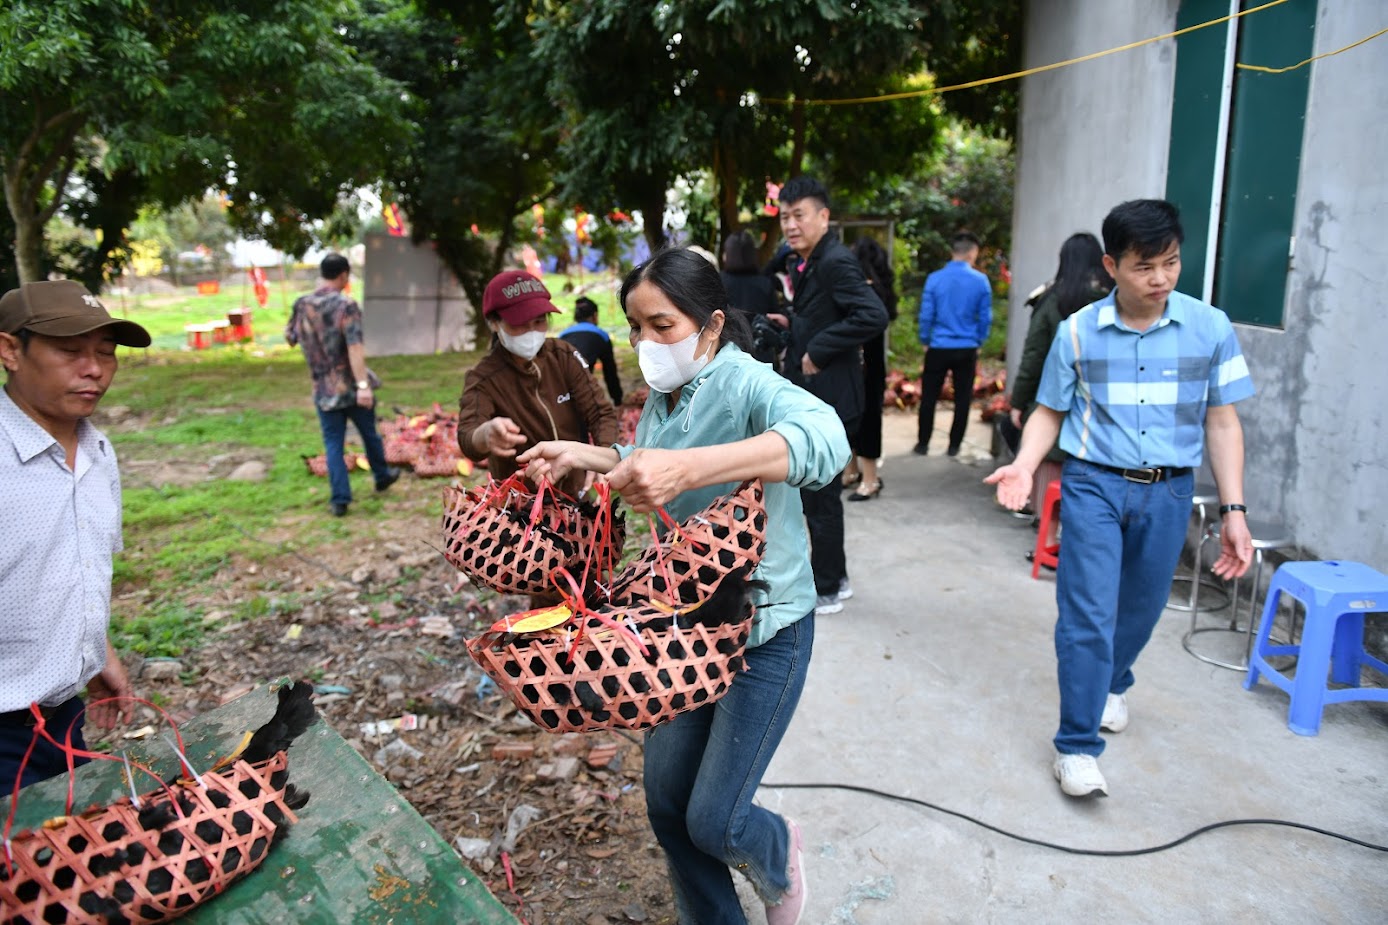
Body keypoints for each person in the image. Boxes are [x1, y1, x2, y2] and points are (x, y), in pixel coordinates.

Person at [518, 247, 847, 925]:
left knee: (717, 818)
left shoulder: (747, 381)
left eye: (662, 325)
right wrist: (587, 455)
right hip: (681, 630)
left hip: (765, 633)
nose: (646, 343)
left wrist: (691, 468)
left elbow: (826, 438)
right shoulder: (667, 396)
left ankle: (777, 849)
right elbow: (649, 461)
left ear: (712, 323)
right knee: (668, 806)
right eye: (635, 328)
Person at [985, 199, 1255, 798]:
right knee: (1085, 615)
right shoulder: (1078, 331)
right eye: (1143, 267)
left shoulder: (1209, 327)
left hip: (1169, 491)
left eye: (1171, 263)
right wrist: (1024, 467)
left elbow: (1223, 423)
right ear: (1111, 265)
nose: (1159, 279)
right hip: (1093, 486)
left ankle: (1113, 681)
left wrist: (1234, 511)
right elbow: (1050, 409)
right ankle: (1077, 746)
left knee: (1140, 609)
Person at [0, 280, 145, 788]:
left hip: (60, 720)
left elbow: (74, 567)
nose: (95, 369)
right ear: (10, 350)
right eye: (69, 352)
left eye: (106, 353)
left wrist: (97, 653)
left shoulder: (98, 453)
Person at [777, 176, 890, 615]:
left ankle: (826, 586)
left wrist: (818, 350)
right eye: (786, 216)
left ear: (823, 216)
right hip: (818, 396)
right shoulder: (808, 260)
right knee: (816, 495)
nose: (791, 224)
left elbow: (873, 314)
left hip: (832, 398)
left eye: (799, 215)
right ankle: (834, 577)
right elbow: (824, 312)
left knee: (820, 498)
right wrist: (792, 324)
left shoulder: (834, 261)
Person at [459, 270, 618, 499]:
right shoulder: (484, 378)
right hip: (520, 504)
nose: (532, 332)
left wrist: (602, 457)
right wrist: (485, 435)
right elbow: (468, 437)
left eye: (539, 321)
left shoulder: (563, 356)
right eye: (520, 324)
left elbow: (600, 412)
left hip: (576, 492)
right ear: (494, 323)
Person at [1008, 232, 1114, 518]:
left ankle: (1050, 534)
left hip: (1056, 395)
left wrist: (1018, 401)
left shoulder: (1053, 298)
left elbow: (1034, 355)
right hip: (1102, 407)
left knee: (1052, 462)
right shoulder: (1114, 300)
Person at [286, 253, 400, 517]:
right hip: (349, 386)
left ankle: (340, 500)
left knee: (333, 443)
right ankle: (382, 476)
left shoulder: (302, 304)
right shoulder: (346, 306)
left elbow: (291, 337)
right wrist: (363, 385)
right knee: (369, 433)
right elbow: (355, 348)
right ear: (344, 276)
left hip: (322, 389)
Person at [915, 231, 993, 457]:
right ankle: (954, 446)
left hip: (938, 346)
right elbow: (985, 316)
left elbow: (926, 314)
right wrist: (979, 340)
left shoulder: (935, 278)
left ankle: (923, 444)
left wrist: (925, 339)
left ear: (953, 252)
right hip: (966, 347)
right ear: (972, 253)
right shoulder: (980, 281)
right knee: (962, 398)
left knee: (929, 396)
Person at [842, 236, 897, 501]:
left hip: (866, 365)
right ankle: (852, 472)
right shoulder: (876, 289)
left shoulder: (867, 291)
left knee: (867, 421)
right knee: (854, 419)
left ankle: (870, 479)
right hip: (867, 365)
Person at [720, 230, 785, 369]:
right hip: (761, 356)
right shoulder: (765, 283)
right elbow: (774, 317)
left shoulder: (718, 282)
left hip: (727, 355)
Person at [558, 296, 624, 405]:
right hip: (581, 387)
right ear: (595, 316)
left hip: (557, 386)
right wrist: (618, 400)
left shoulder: (563, 334)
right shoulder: (601, 336)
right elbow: (610, 372)